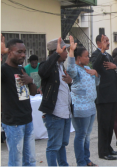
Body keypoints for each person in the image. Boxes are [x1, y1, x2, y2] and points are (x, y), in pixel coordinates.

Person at [1, 36, 37, 166]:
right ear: (9, 52)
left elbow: (32, 92)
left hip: (27, 120)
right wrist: (1, 53)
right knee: (16, 162)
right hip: (13, 124)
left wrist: (30, 81)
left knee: (30, 160)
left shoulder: (21, 69)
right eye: (19, 52)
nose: (23, 55)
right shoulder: (4, 70)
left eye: (24, 52)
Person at [38, 37, 73, 166]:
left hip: (65, 112)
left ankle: (63, 164)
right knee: (54, 145)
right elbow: (43, 72)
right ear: (56, 51)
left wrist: (70, 81)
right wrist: (56, 55)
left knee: (62, 144)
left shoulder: (60, 66)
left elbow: (63, 88)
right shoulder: (46, 66)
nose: (67, 53)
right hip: (55, 114)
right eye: (65, 50)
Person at [66, 36, 100, 166]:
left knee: (87, 135)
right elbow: (70, 69)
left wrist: (96, 73)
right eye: (86, 56)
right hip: (80, 108)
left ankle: (86, 159)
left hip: (91, 106)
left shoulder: (87, 69)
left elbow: (97, 82)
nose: (88, 58)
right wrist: (71, 52)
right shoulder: (76, 71)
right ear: (78, 58)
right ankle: (81, 162)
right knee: (80, 135)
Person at [90, 34, 117, 160]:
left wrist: (116, 67)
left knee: (110, 124)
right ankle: (103, 152)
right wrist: (102, 51)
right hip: (103, 96)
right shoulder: (96, 54)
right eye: (105, 41)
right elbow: (95, 66)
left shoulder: (108, 56)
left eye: (108, 41)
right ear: (99, 43)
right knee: (103, 125)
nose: (108, 43)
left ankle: (108, 148)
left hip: (112, 95)